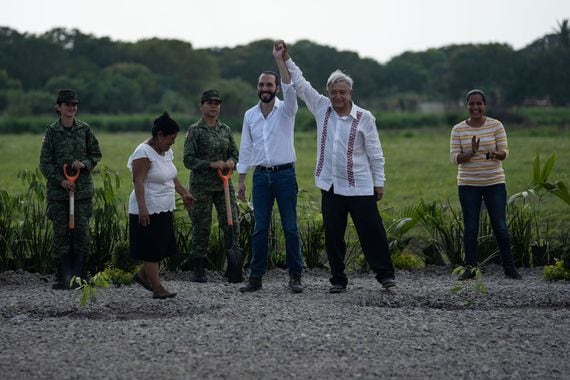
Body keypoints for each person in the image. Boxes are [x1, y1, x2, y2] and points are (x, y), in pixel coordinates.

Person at [281, 41, 396, 293]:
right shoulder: (321, 107)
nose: (338, 97)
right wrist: (287, 59)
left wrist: (379, 182)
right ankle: (338, 280)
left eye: (342, 92)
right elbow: (301, 84)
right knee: (333, 236)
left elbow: (376, 153)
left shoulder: (365, 117)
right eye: (334, 92)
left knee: (372, 233)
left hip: (361, 185)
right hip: (331, 185)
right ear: (328, 93)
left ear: (350, 93)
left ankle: (385, 275)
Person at [237, 41, 304, 293]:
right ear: (258, 88)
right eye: (261, 85)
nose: (265, 88)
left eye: (269, 85)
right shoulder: (249, 115)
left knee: (290, 227)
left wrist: (280, 59)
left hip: (285, 175)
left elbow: (291, 87)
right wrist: (241, 180)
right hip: (260, 177)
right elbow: (245, 147)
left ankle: (295, 276)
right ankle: (255, 278)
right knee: (260, 229)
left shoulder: (287, 109)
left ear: (276, 88)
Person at [450, 89, 522, 280]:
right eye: (471, 104)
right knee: (471, 228)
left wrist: (495, 153)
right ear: (466, 106)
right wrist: (472, 152)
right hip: (468, 185)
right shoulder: (458, 129)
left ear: (484, 105)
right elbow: (455, 159)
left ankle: (509, 268)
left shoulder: (496, 125)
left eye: (479, 104)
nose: (475, 107)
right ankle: (471, 269)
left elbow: (504, 152)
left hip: (494, 183)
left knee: (500, 226)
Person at [39, 89, 102, 290]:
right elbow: (45, 163)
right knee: (60, 235)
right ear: (59, 107)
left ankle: (81, 276)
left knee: (81, 234)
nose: (72, 108)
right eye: (67, 104)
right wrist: (61, 181)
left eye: (74, 104)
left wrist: (84, 164)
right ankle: (62, 277)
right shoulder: (51, 132)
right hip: (59, 195)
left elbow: (96, 154)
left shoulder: (85, 129)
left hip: (81, 193)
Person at [128, 112, 195, 299]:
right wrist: (142, 208)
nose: (173, 142)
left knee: (162, 247)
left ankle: (142, 276)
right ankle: (157, 287)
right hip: (147, 206)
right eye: (171, 138)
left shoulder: (166, 151)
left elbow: (171, 175)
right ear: (160, 135)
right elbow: (138, 181)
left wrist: (184, 193)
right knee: (150, 249)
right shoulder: (142, 153)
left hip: (164, 205)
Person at [183, 90, 240, 283]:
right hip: (202, 186)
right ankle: (198, 267)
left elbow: (235, 154)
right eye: (209, 103)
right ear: (202, 106)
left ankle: (232, 266)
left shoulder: (225, 130)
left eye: (217, 103)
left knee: (231, 222)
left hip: (224, 184)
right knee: (202, 225)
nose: (214, 106)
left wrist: (232, 161)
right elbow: (188, 160)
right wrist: (210, 164)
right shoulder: (195, 130)